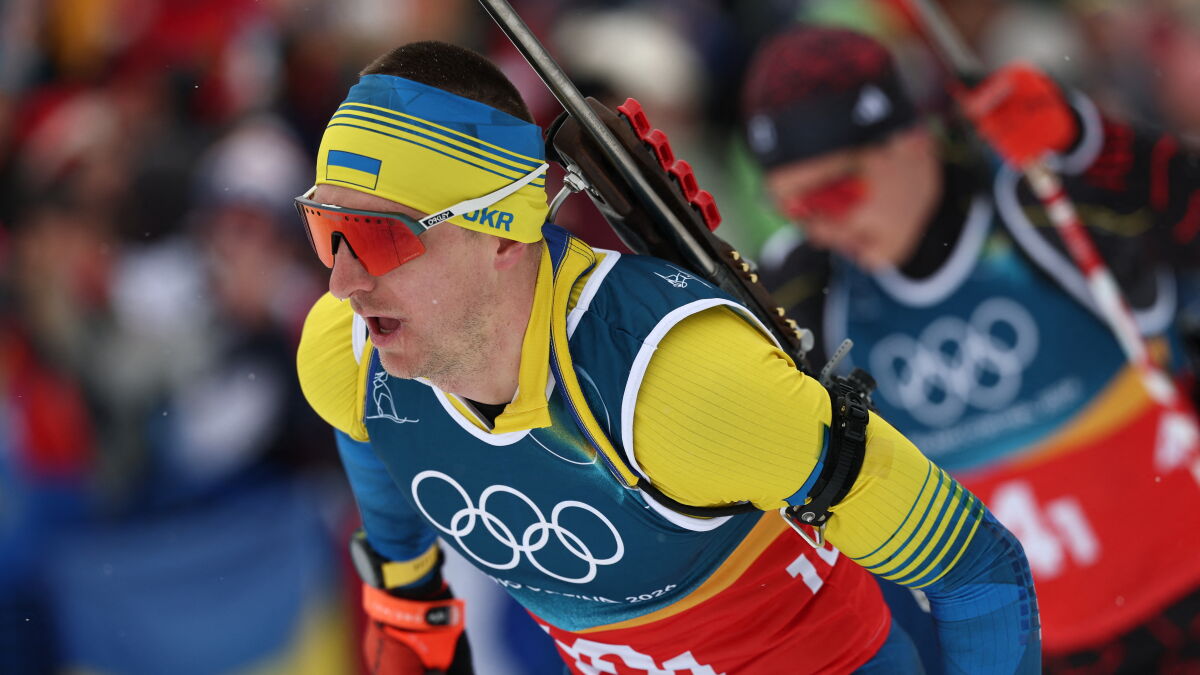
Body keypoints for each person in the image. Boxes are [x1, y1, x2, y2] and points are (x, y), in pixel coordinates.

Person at [294, 40, 1039, 674]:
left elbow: (977, 568)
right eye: (328, 231)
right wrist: (408, 600)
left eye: (381, 238)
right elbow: (373, 429)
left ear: (501, 233)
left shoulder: (682, 382)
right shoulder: (349, 353)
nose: (343, 282)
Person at [741, 25, 1200, 672]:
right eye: (793, 207)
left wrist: (1091, 144)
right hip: (1043, 650)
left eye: (834, 193)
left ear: (910, 138)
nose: (822, 225)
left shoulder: (1031, 199)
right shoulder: (809, 286)